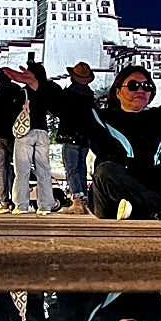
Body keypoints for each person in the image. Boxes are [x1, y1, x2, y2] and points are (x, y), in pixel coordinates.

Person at [5, 63, 161, 220]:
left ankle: (147, 207)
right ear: (118, 91)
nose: (141, 90)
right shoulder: (101, 118)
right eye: (133, 85)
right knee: (106, 171)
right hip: (114, 193)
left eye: (146, 86)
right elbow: (66, 106)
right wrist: (35, 83)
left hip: (153, 182)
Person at [11, 58, 56, 214]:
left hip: (25, 133)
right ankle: (45, 205)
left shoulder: (22, 92)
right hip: (42, 132)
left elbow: (13, 112)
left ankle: (21, 205)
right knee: (43, 170)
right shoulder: (47, 90)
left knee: (22, 171)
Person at [56, 62, 96, 214]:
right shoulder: (89, 95)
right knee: (81, 169)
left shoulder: (69, 94)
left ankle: (77, 201)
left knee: (71, 169)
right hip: (85, 139)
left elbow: (61, 112)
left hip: (70, 136)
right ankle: (84, 201)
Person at [0, 68, 22, 213]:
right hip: (15, 135)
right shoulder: (18, 91)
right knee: (18, 169)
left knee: (1, 169)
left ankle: (4, 202)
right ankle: (17, 201)